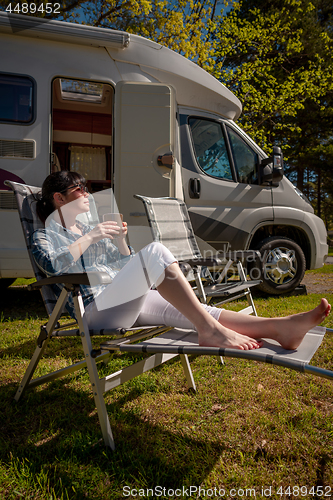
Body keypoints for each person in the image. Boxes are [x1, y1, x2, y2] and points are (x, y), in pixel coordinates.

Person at [31, 171, 331, 351]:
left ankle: (281, 328)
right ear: (59, 198)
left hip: (120, 301)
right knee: (156, 251)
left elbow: (126, 264)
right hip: (95, 311)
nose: (87, 193)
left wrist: (120, 241)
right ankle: (210, 332)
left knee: (198, 308)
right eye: (79, 189)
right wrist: (93, 236)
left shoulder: (87, 229)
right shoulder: (45, 234)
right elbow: (52, 266)